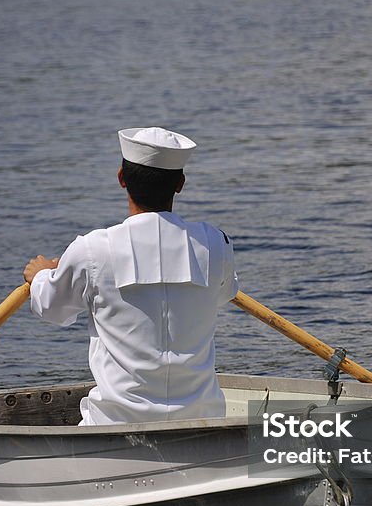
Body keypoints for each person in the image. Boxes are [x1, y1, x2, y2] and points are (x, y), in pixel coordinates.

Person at [23, 127, 238, 426]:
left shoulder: (92, 250)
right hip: (202, 418)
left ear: (121, 179)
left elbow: (52, 308)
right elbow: (225, 294)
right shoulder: (215, 244)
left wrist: (42, 275)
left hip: (113, 424)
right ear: (180, 184)